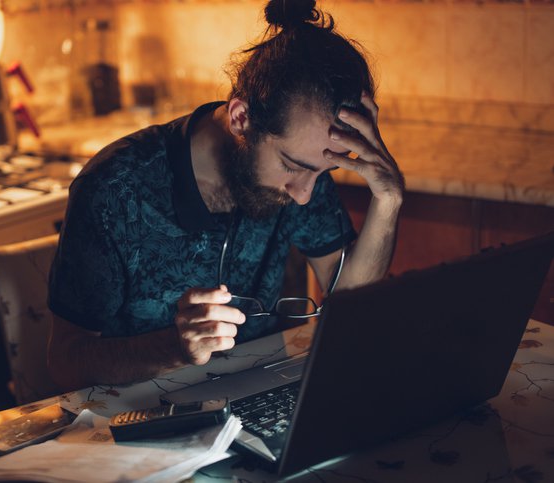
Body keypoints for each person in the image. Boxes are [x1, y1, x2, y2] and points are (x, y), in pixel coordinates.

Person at [47, 0, 404, 391]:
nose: (304, 194)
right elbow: (66, 364)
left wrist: (388, 201)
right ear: (240, 118)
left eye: (322, 172)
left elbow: (349, 298)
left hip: (253, 395)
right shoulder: (114, 190)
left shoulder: (303, 171)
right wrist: (174, 348)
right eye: (291, 165)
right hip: (133, 421)